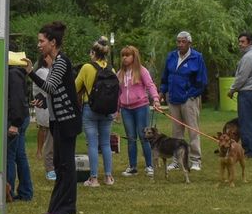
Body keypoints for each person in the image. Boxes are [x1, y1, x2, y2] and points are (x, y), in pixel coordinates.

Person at [30, 21, 82, 214]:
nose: (39, 45)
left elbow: (50, 87)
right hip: (58, 121)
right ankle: (58, 207)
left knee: (66, 166)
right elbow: (56, 93)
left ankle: (67, 207)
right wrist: (43, 102)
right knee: (61, 165)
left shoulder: (61, 61)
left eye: (41, 41)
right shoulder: (55, 62)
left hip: (67, 121)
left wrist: (30, 73)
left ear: (52, 42)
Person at [160, 30, 207, 171]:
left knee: (193, 130)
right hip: (173, 98)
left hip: (189, 99)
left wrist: (191, 94)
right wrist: (162, 91)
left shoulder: (197, 57)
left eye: (183, 41)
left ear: (189, 43)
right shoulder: (171, 56)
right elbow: (165, 76)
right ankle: (176, 159)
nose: (180, 44)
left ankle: (195, 160)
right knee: (176, 132)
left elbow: (202, 81)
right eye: (178, 41)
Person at [74, 38, 118, 187]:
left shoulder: (87, 67)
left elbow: (75, 86)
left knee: (92, 144)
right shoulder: (111, 69)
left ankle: (93, 178)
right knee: (105, 143)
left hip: (90, 108)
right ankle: (108, 177)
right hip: (107, 111)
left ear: (93, 52)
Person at [116, 44, 162, 176]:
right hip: (126, 109)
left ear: (134, 57)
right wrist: (117, 110)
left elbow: (150, 85)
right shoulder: (120, 73)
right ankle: (132, 167)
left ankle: (149, 165)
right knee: (131, 138)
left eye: (127, 55)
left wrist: (156, 99)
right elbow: (118, 93)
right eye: (123, 55)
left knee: (144, 137)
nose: (124, 58)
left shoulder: (142, 71)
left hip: (141, 107)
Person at [227, 31, 252, 157]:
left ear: (250, 42)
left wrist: (232, 90)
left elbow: (241, 78)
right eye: (239, 42)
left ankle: (248, 151)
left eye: (243, 42)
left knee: (246, 123)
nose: (240, 44)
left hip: (248, 93)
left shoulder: (248, 57)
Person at [5, 51, 34, 201]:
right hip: (21, 117)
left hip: (15, 119)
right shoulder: (18, 73)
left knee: (10, 156)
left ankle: (7, 192)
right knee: (19, 156)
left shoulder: (12, 74)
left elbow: (15, 99)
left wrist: (14, 124)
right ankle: (26, 191)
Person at [32, 64, 55, 180]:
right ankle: (40, 151)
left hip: (48, 103)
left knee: (47, 129)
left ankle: (43, 153)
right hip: (43, 103)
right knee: (43, 127)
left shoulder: (52, 69)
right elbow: (45, 87)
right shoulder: (42, 71)